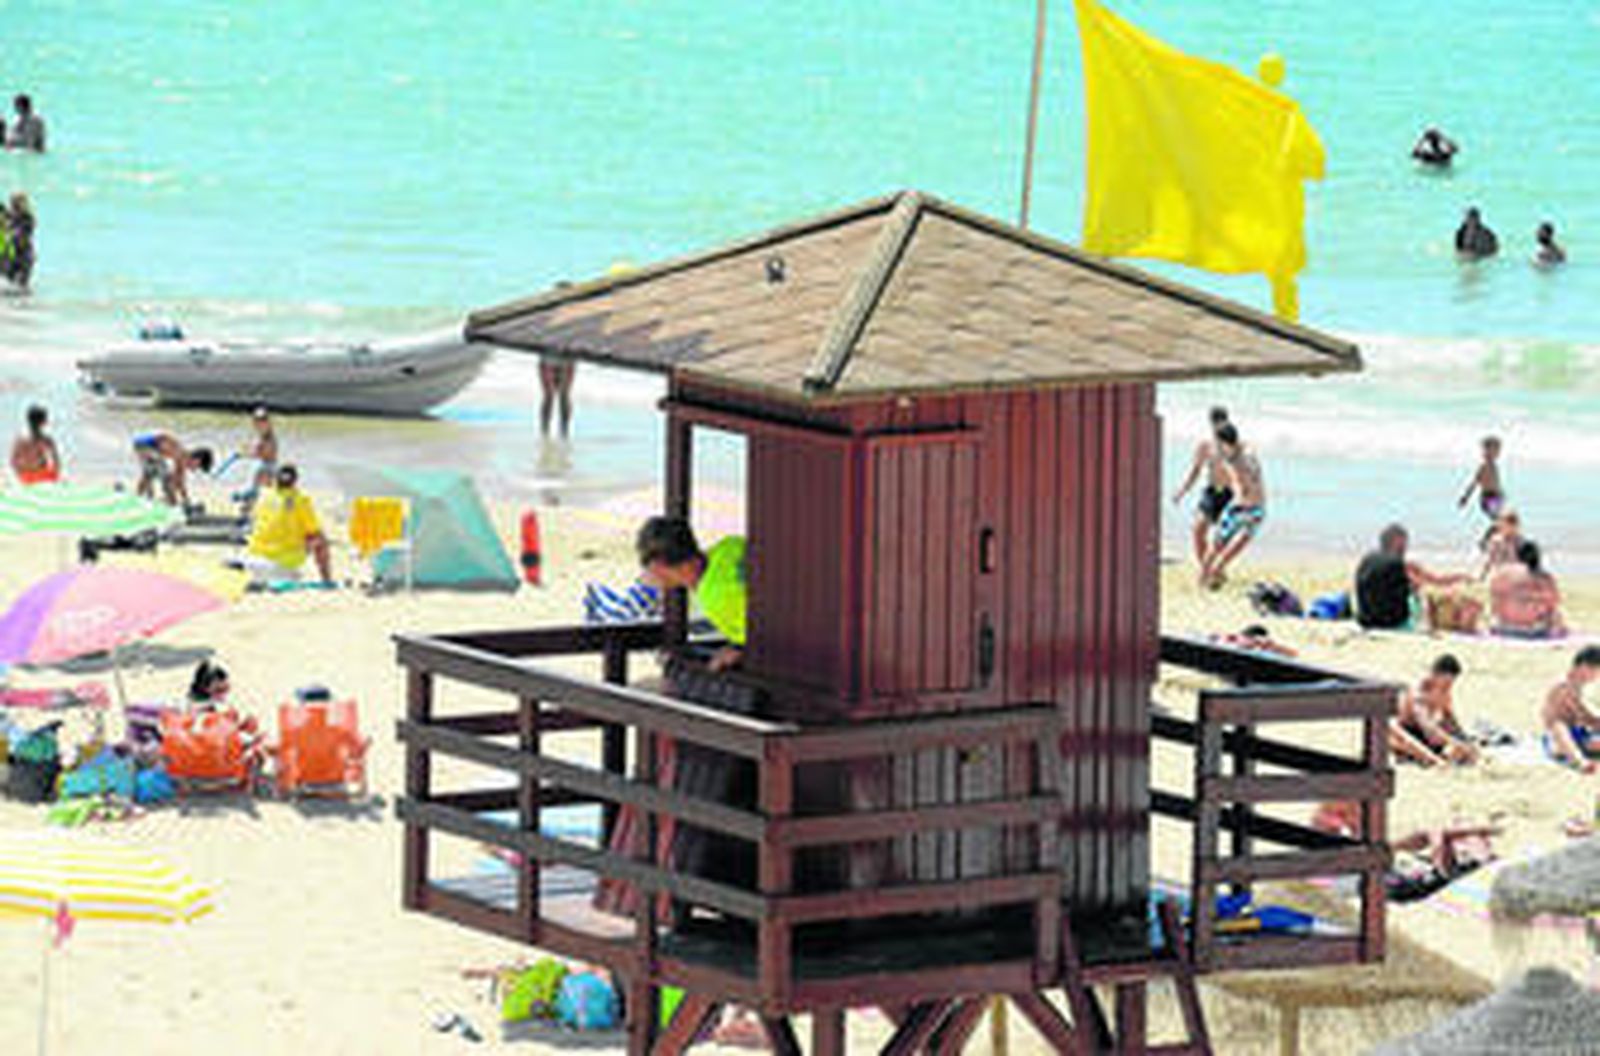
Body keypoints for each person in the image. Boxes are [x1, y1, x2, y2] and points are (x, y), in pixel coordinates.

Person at [635, 516, 745, 671]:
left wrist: (737, 651)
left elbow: (763, 642)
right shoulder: (729, 545)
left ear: (658, 566)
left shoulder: (715, 597)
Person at [1354, 523, 1475, 630]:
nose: (1405, 548)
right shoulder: (1399, 565)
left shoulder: (1367, 560)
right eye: (1403, 545)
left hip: (1366, 620)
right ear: (1396, 543)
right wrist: (1460, 579)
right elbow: (1432, 582)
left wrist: (1459, 577)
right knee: (1425, 596)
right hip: (1391, 622)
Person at [1199, 423, 1264, 589]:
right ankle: (1211, 574)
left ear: (1224, 442)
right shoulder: (1246, 452)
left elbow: (1241, 485)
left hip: (1246, 509)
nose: (1218, 448)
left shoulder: (1234, 460)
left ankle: (1208, 576)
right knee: (1231, 544)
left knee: (1222, 545)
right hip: (1252, 508)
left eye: (1219, 444)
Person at [246, 464, 333, 585]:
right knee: (320, 538)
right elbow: (314, 532)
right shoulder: (301, 499)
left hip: (254, 555)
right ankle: (327, 580)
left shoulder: (264, 496)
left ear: (276, 479)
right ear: (295, 481)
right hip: (284, 560)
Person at [1171, 406, 1232, 569]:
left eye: (1222, 422)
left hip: (1230, 494)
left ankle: (1217, 569)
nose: (1218, 426)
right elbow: (1195, 472)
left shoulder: (1234, 445)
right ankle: (1205, 568)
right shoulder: (1205, 446)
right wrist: (1182, 491)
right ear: (1211, 424)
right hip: (1212, 492)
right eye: (1215, 422)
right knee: (1198, 530)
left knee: (1222, 538)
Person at [1390, 655, 1478, 766]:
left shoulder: (1443, 691)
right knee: (1434, 757)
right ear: (1435, 675)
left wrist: (1466, 741)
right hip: (1408, 733)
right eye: (1446, 683)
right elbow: (1428, 728)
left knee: (1465, 753)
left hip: (1426, 733)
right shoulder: (1419, 693)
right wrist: (1454, 743)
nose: (1448, 687)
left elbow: (1449, 720)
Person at [1489, 540, 1566, 639]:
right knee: (1554, 612)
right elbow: (1555, 602)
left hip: (1501, 627)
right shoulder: (1544, 577)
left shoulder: (1501, 573)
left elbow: (1494, 600)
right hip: (1532, 630)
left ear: (1517, 555)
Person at [1541, 646, 1600, 772]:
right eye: (1596, 671)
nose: (1597, 676)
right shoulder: (1563, 686)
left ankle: (1581, 754)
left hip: (1579, 733)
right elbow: (1580, 711)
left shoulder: (1580, 686)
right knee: (1559, 727)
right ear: (1584, 667)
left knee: (1593, 741)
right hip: (1558, 736)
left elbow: (1585, 715)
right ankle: (1579, 762)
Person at [131, 431, 213, 507]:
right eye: (197, 467)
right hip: (144, 444)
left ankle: (141, 497)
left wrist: (186, 499)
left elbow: (180, 482)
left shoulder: (182, 459)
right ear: (197, 460)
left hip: (150, 448)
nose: (194, 470)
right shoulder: (180, 454)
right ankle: (143, 498)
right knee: (161, 473)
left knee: (154, 473)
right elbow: (176, 480)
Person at [1457, 435, 1505, 530]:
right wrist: (1465, 497)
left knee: (1501, 520)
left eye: (1498, 450)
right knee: (1499, 519)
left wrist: (1501, 494)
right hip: (1488, 497)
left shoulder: (1494, 466)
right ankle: (1489, 538)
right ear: (1486, 452)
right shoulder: (1484, 467)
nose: (1498, 453)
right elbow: (1474, 483)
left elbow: (1496, 483)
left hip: (1495, 496)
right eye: (1495, 450)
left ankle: (1493, 537)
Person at [237, 406, 279, 506]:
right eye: (256, 421)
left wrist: (245, 454)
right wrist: (247, 450)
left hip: (267, 466)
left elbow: (264, 453)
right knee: (264, 490)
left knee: (258, 490)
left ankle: (249, 508)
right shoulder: (262, 434)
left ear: (267, 422)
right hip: (265, 465)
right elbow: (258, 449)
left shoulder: (268, 436)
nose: (256, 424)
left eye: (261, 421)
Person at [10, 404, 60, 484]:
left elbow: (13, 461)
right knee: (44, 462)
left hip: (26, 476)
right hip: (43, 475)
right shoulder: (47, 440)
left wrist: (20, 473)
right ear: (43, 423)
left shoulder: (20, 439)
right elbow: (56, 463)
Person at [1, 192, 36, 289]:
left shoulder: (28, 218)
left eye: (20, 203)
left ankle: (23, 302)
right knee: (9, 279)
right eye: (15, 203)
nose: (17, 206)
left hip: (24, 255)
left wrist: (11, 230)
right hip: (10, 254)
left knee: (22, 284)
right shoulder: (9, 216)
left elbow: (22, 232)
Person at [539, 354, 576, 439]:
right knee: (550, 395)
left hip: (565, 357)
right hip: (550, 356)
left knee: (562, 395)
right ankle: (545, 432)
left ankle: (563, 432)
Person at [1481, 508, 1524, 578]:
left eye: (1515, 526)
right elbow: (1489, 560)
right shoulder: (1496, 541)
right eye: (1501, 525)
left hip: (1514, 573)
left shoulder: (1519, 540)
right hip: (1500, 573)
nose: (1501, 527)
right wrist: (1482, 576)